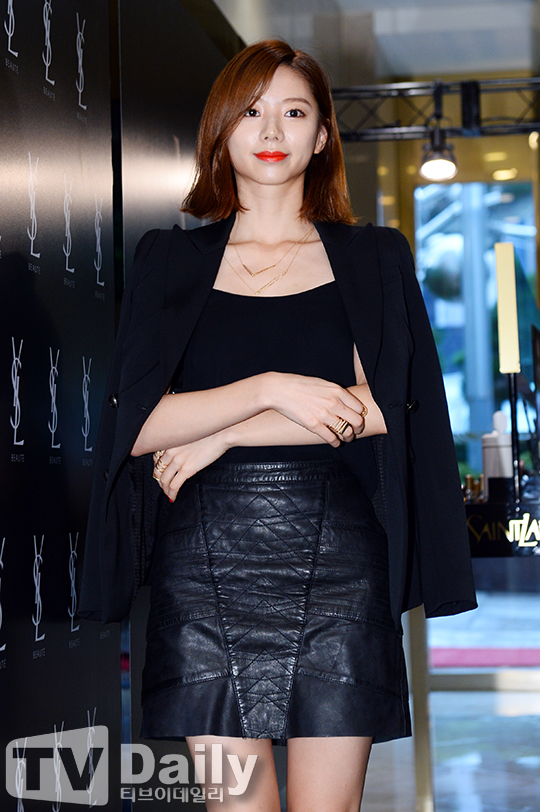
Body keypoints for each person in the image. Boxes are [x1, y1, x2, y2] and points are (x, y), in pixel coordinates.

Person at [79, 39, 476, 811]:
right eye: (252, 111)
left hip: (340, 565)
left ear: (322, 135)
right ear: (222, 129)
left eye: (294, 113)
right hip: (203, 570)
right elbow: (138, 426)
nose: (271, 130)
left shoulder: (372, 257)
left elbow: (378, 409)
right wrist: (272, 389)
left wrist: (224, 431)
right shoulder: (167, 260)